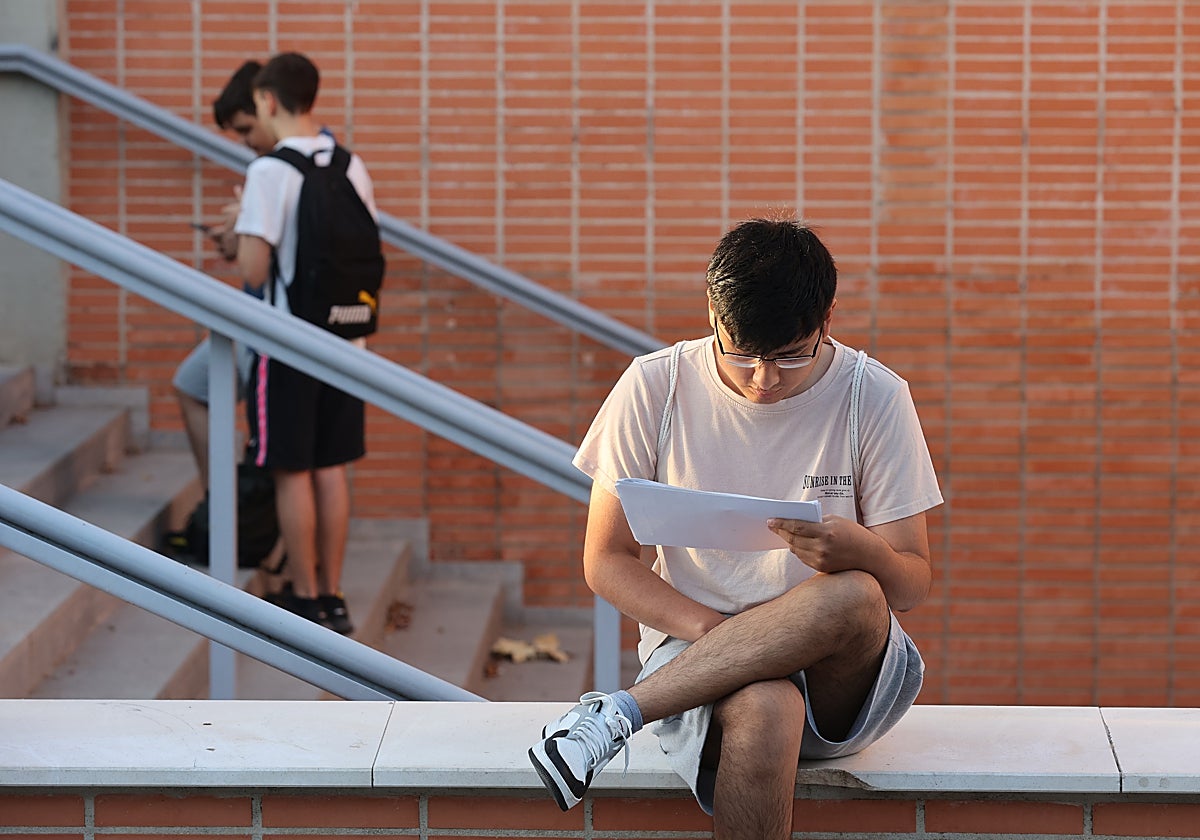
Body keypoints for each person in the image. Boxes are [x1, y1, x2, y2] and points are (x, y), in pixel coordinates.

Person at [528, 217, 943, 839]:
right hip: (696, 653)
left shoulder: (872, 397)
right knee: (769, 707)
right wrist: (723, 641)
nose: (763, 379)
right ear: (712, 312)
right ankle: (621, 715)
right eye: (741, 352)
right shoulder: (655, 385)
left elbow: (909, 585)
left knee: (859, 594)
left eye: (789, 356)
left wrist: (858, 548)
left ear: (828, 318)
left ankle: (618, 714)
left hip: (838, 674)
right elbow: (606, 559)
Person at [235, 51, 379, 635]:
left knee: (292, 469)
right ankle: (334, 595)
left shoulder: (269, 171)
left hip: (288, 344)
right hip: (347, 342)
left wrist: (236, 233)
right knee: (331, 468)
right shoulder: (351, 165)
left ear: (267, 100)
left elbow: (252, 267)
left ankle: (303, 591)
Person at [169, 59, 289, 587]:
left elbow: (266, 260)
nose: (244, 142)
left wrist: (241, 241)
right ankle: (230, 508)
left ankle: (244, 523)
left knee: (292, 450)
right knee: (195, 385)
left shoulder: (283, 166)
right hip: (258, 311)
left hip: (277, 320)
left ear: (267, 105)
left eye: (245, 128)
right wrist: (237, 236)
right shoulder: (276, 165)